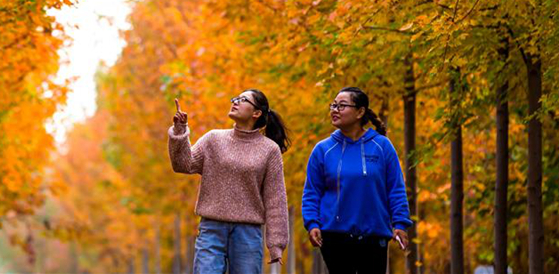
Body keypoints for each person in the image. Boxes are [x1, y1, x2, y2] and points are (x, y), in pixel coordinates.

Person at [168, 89, 290, 274]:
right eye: (235, 98)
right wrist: (180, 130)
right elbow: (183, 164)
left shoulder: (269, 150)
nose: (235, 102)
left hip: (248, 233)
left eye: (243, 100)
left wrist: (276, 244)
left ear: (256, 113)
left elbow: (275, 199)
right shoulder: (213, 139)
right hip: (211, 229)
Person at [301, 87, 412, 274]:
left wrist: (400, 224)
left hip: (374, 235)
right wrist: (312, 224)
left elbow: (396, 189)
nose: (335, 109)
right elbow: (312, 192)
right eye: (333, 105)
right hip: (334, 236)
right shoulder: (322, 150)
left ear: (360, 112)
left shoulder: (382, 146)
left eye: (342, 105)